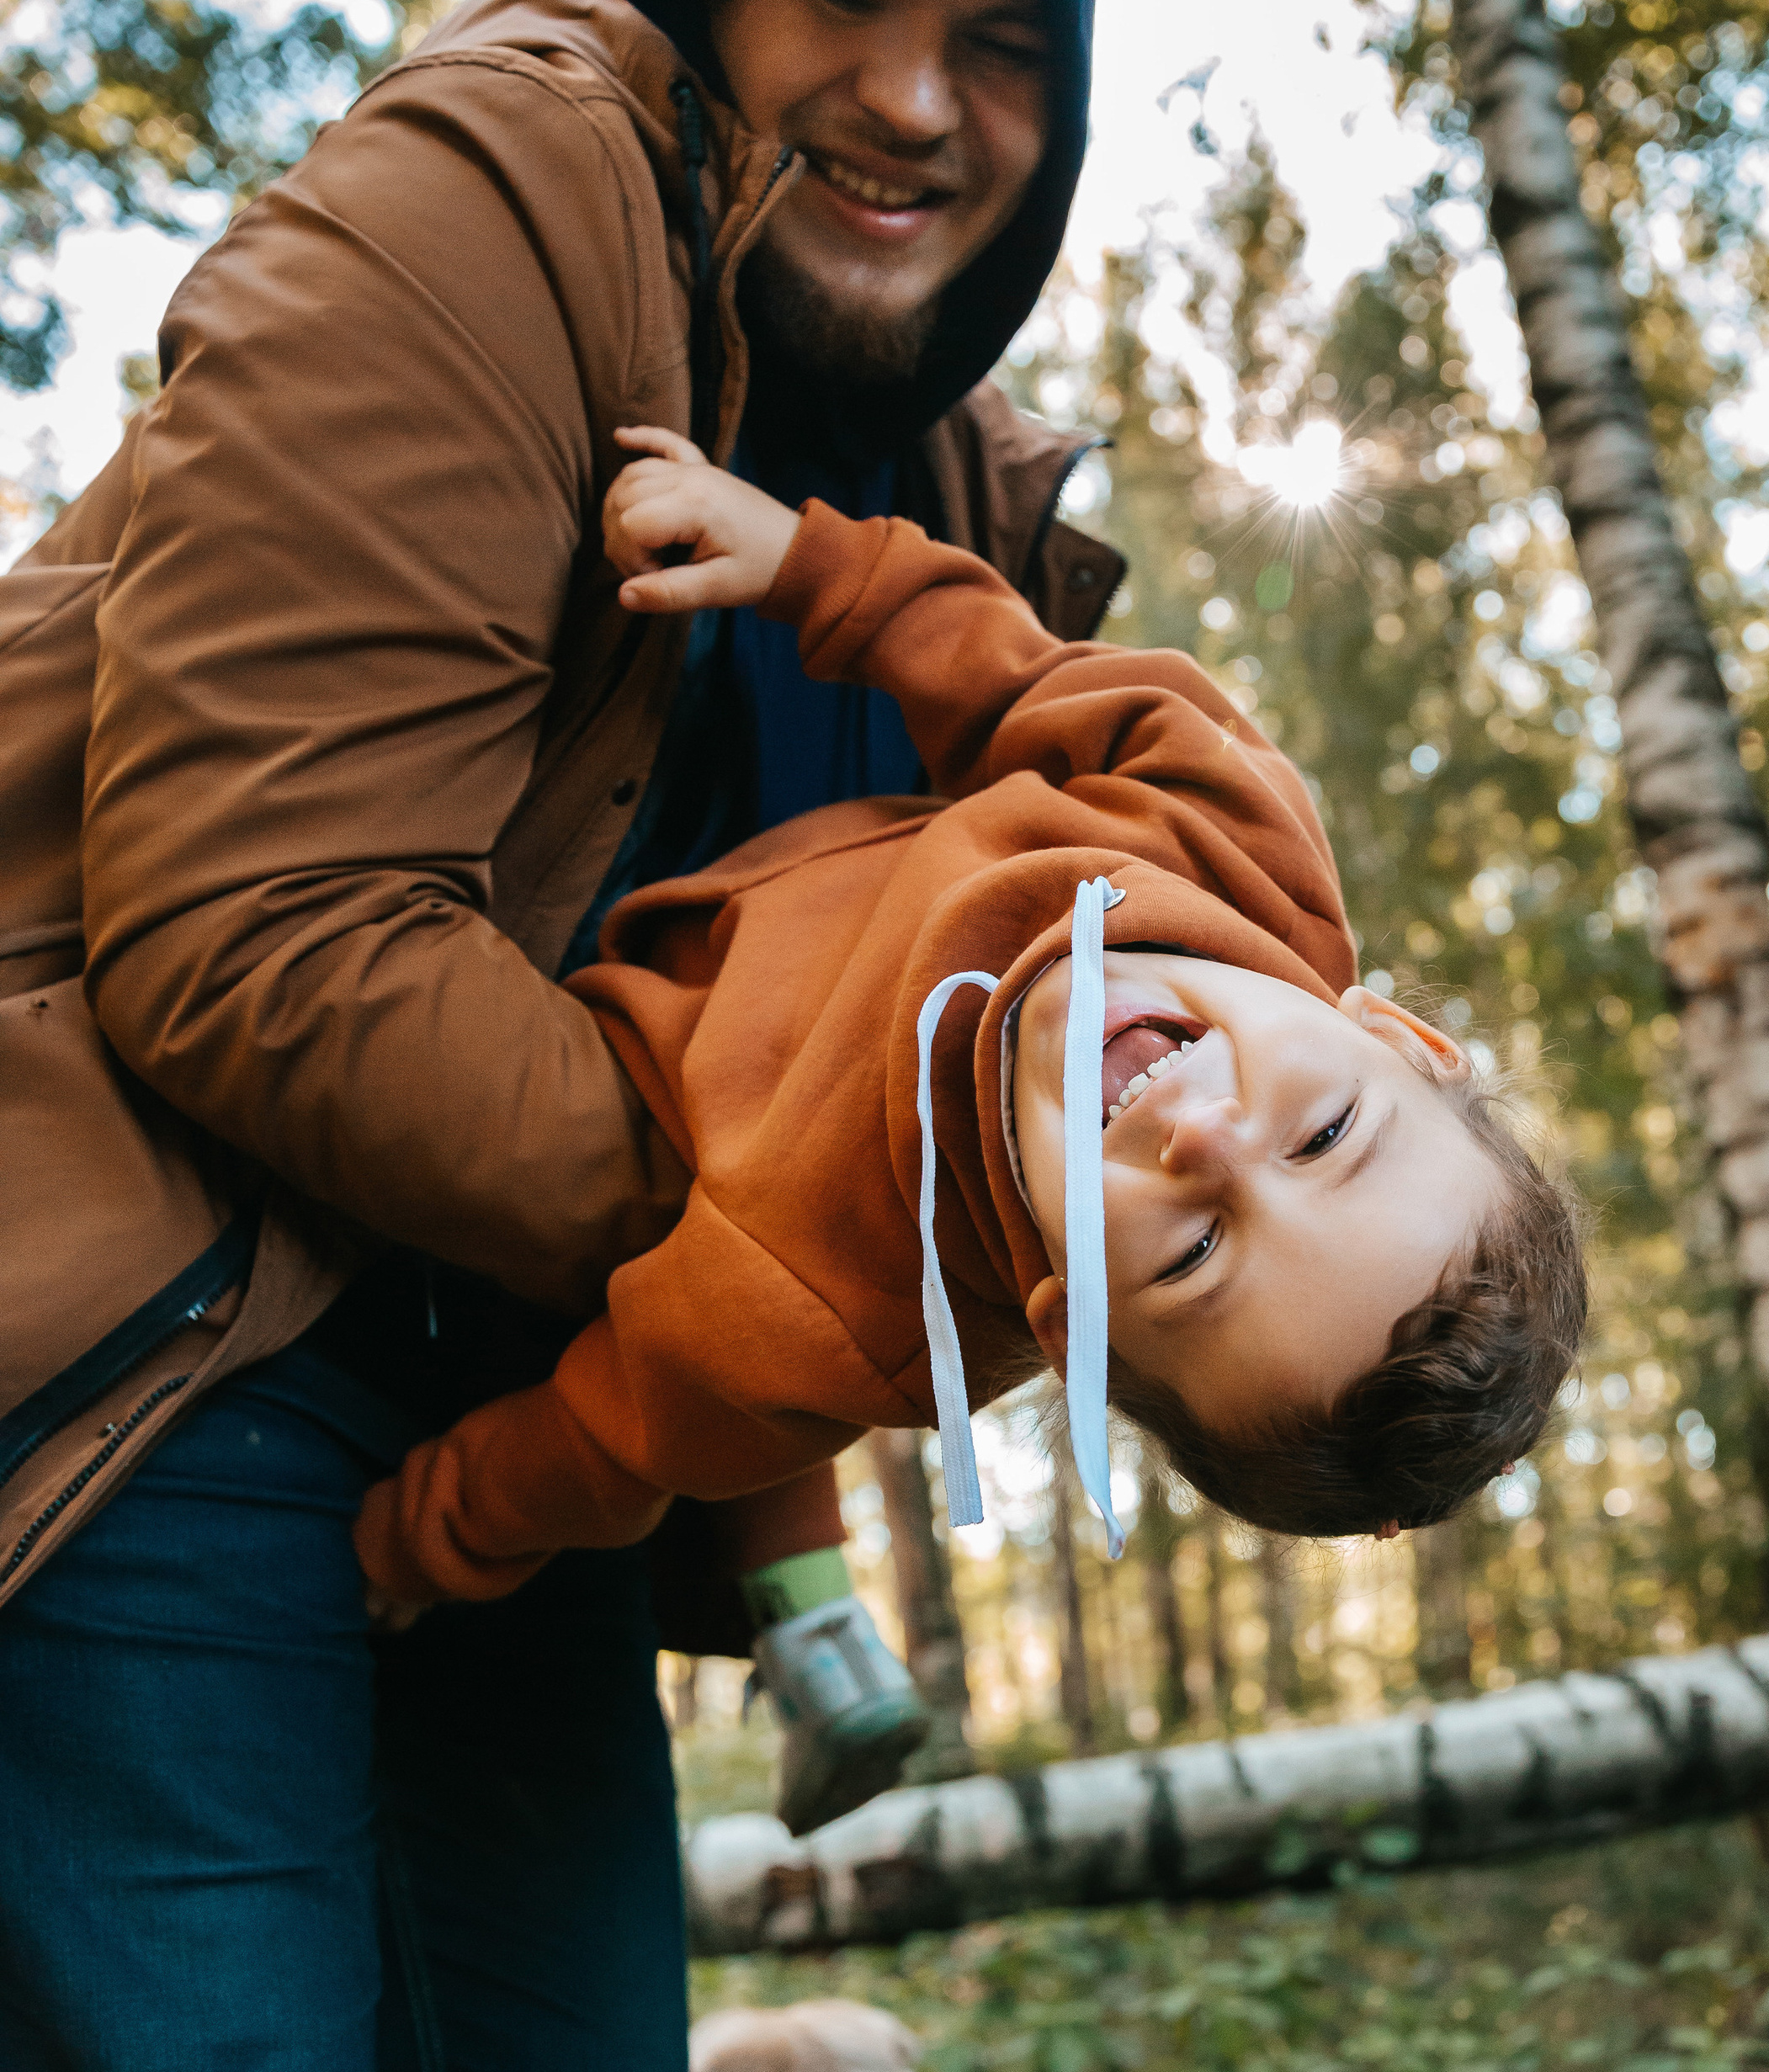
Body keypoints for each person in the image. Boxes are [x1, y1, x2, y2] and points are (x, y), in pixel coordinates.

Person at [0, 0, 1111, 2072]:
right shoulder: (475, 198)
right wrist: (769, 1208)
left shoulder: (919, 486)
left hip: (501, 1442)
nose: (923, 100)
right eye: (848, 3)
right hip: (170, 1349)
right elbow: (252, 924)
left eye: (1004, 37)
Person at [353, 439, 1586, 1657]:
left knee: (740, 1412)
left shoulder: (833, 1304)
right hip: (785, 825)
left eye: (1198, 1251)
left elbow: (610, 1436)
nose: (1205, 1135)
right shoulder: (1233, 830)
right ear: (1398, 1035)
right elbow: (1024, 682)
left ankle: (800, 1609)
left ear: (1068, 1326)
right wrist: (810, 563)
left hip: (604, 1006)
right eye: (1325, 1136)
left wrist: (428, 1544)